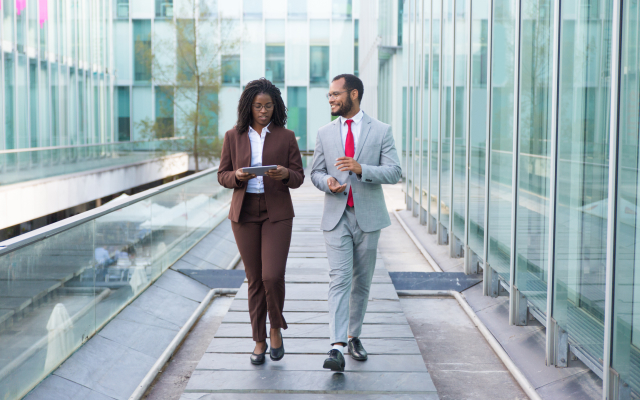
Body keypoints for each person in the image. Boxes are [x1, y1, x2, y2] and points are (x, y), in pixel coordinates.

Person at [311, 74, 402, 372]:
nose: (331, 99)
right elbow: (316, 172)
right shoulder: (324, 132)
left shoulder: (382, 131)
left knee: (361, 282)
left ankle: (354, 336)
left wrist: (361, 169)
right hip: (336, 216)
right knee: (339, 278)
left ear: (353, 94)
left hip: (369, 217)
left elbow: (394, 172)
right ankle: (336, 346)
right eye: (329, 95)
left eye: (335, 94)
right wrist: (327, 182)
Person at [218, 78, 305, 365]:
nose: (264, 111)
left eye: (268, 106)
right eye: (258, 106)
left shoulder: (286, 136)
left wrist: (283, 174)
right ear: (249, 107)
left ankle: (276, 327)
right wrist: (237, 177)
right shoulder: (233, 136)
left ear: (275, 106)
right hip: (244, 214)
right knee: (254, 279)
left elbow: (298, 178)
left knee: (272, 276)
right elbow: (222, 176)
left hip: (276, 213)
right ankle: (259, 340)